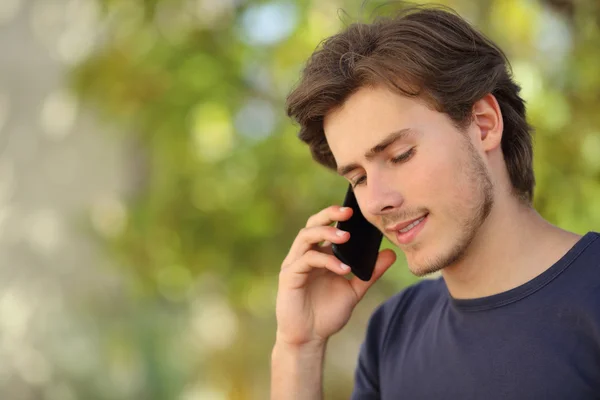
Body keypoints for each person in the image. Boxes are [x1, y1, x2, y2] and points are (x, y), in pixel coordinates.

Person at [271, 4, 600, 400]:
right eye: (357, 178)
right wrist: (298, 349)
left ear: (483, 124)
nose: (376, 202)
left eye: (400, 156)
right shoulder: (391, 333)